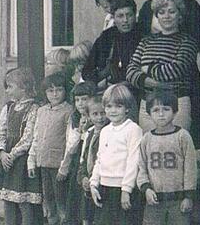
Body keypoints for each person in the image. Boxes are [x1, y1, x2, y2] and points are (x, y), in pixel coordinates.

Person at [127, 0, 200, 146]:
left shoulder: (188, 42)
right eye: (161, 12)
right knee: (151, 151)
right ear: (156, 16)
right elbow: (130, 71)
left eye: (171, 11)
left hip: (177, 105)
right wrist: (153, 83)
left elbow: (174, 71)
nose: (166, 16)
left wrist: (147, 67)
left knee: (175, 150)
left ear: (180, 15)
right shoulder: (146, 41)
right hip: (148, 106)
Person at [138, 89, 197, 225]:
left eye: (166, 109)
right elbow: (141, 167)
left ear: (175, 112)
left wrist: (188, 196)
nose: (161, 114)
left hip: (178, 199)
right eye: (156, 110)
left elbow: (190, 168)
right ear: (149, 114)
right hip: (154, 199)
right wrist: (146, 188)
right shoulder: (146, 138)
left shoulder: (182, 136)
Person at [89, 84, 144, 225]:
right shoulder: (105, 131)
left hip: (124, 189)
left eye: (118, 106)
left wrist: (126, 189)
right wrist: (94, 184)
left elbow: (133, 161)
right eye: (109, 106)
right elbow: (99, 159)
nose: (113, 111)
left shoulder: (133, 129)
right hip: (104, 187)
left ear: (127, 108)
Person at [0, 68, 42, 225]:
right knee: (8, 199)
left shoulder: (33, 108)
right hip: (7, 159)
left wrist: (12, 154)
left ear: (23, 87)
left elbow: (28, 137)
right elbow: (1, 132)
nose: (7, 91)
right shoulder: (8, 108)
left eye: (10, 86)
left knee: (23, 201)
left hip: (22, 160)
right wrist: (2, 152)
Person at [28, 72, 75, 225]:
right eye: (50, 90)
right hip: (43, 164)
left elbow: (70, 142)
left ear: (65, 91)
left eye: (59, 90)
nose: (54, 94)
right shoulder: (41, 111)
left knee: (61, 201)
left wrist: (64, 167)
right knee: (48, 201)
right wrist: (31, 160)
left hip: (58, 165)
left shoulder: (69, 111)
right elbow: (36, 137)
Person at [82, 0, 144, 96]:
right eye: (120, 16)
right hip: (114, 94)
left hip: (140, 92)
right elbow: (86, 72)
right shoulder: (107, 37)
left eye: (129, 15)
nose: (125, 20)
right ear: (113, 17)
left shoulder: (143, 34)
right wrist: (104, 73)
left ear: (135, 15)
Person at [61, 81, 97, 225]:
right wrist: (79, 131)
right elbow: (71, 146)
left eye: (84, 99)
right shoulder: (74, 118)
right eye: (77, 100)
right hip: (78, 160)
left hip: (92, 160)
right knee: (76, 199)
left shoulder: (97, 117)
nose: (81, 103)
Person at [78, 95, 108, 225]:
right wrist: (83, 176)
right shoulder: (89, 132)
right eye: (95, 114)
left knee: (99, 216)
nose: (100, 117)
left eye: (103, 113)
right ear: (89, 116)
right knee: (87, 215)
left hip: (102, 182)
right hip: (88, 180)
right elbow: (84, 157)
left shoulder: (108, 132)